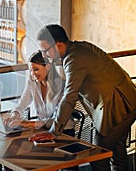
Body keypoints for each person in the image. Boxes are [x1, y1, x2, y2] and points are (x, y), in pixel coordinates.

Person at [30, 24, 136, 171]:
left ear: (59, 45)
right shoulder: (78, 48)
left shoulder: (74, 60)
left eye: (45, 51)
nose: (44, 56)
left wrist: (54, 132)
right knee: (117, 152)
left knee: (98, 155)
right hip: (127, 99)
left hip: (119, 106)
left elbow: (69, 97)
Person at [4, 51, 75, 136]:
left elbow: (56, 120)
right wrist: (14, 117)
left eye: (36, 69)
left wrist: (28, 124)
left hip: (63, 132)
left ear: (48, 67)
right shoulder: (32, 83)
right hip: (43, 130)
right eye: (31, 70)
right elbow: (21, 106)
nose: (33, 74)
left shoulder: (62, 87)